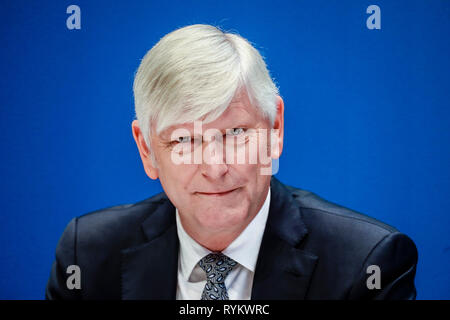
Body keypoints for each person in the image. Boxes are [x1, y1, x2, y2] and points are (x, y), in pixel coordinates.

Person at [46, 24, 418, 300]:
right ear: (146, 150)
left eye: (236, 133)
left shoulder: (368, 262)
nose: (215, 167)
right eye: (185, 140)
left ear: (275, 129)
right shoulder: (88, 256)